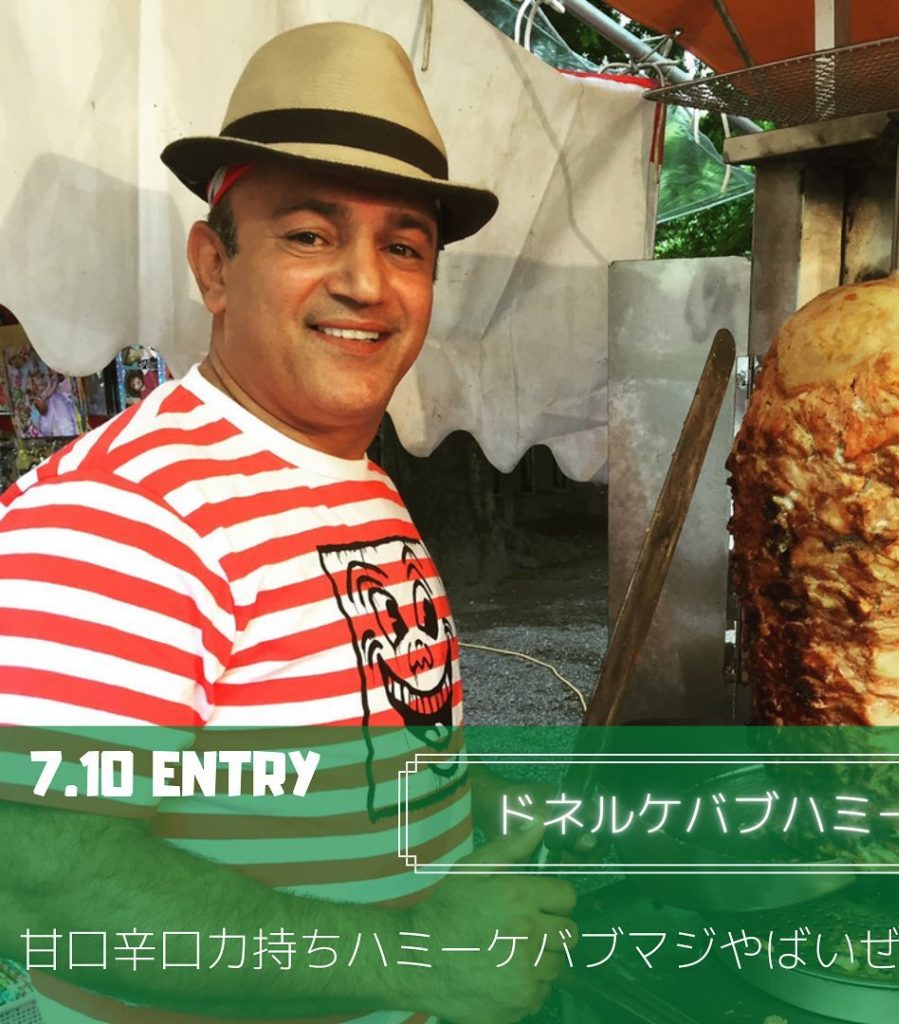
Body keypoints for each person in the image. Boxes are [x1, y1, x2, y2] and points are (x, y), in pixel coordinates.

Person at [0, 22, 576, 1024]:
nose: (366, 282)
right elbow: (34, 879)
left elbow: (371, 734)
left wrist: (468, 806)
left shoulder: (352, 476)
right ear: (214, 267)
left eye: (404, 246)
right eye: (309, 234)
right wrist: (415, 963)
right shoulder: (120, 512)